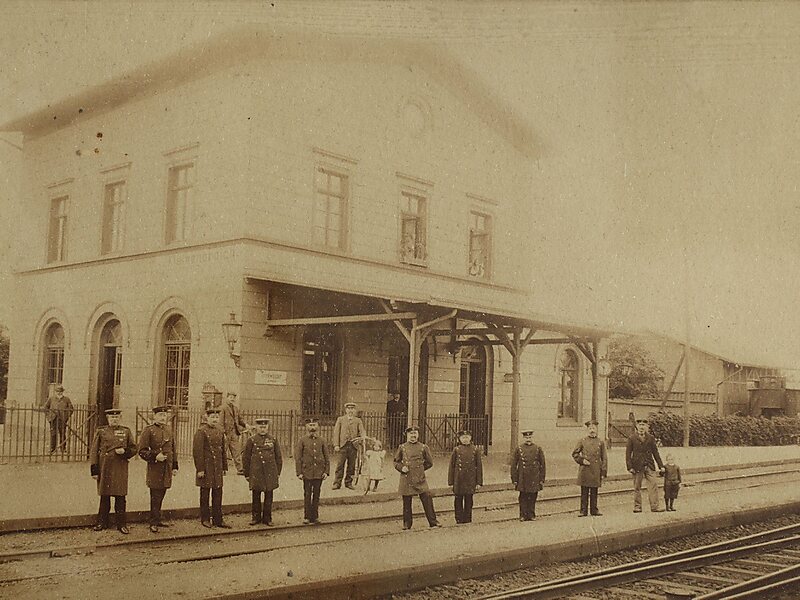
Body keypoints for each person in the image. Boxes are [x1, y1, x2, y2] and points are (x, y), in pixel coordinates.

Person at [90, 408, 137, 534]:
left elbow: (133, 449)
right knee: (104, 496)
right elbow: (94, 451)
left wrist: (125, 452)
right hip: (105, 467)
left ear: (120, 418)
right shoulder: (101, 431)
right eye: (112, 418)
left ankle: (121, 524)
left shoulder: (126, 431)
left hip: (120, 467)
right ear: (108, 419)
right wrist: (94, 470)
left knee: (120, 497)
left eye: (116, 417)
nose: (114, 420)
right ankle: (101, 522)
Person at [137, 405, 178, 533]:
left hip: (167, 467)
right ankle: (153, 522)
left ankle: (157, 519)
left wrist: (175, 466)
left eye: (165, 415)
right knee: (155, 494)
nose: (163, 417)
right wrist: (155, 456)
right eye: (160, 415)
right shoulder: (148, 430)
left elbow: (173, 449)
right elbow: (141, 451)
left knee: (162, 492)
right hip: (155, 467)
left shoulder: (168, 429)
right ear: (154, 416)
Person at [394, 425, 440, 529]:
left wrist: (420, 470)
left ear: (418, 435)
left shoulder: (423, 447)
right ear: (407, 435)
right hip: (406, 478)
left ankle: (433, 522)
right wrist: (401, 468)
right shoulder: (402, 447)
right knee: (407, 502)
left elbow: (429, 463)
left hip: (420, 479)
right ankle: (407, 524)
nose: (413, 436)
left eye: (415, 434)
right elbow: (396, 462)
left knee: (427, 498)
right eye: (411, 434)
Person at [193, 407, 230, 528]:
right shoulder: (201, 431)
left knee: (218, 493)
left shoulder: (220, 431)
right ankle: (205, 519)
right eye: (212, 417)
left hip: (217, 468)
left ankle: (218, 519)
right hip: (206, 468)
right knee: (205, 493)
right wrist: (200, 469)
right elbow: (198, 452)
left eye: (216, 417)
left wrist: (224, 467)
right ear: (207, 418)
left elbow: (223, 450)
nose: (214, 419)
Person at [242, 417, 282, 526]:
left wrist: (278, 472)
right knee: (256, 495)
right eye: (260, 427)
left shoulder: (273, 439)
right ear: (257, 428)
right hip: (256, 472)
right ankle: (255, 517)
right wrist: (247, 474)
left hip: (270, 472)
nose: (263, 429)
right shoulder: (252, 440)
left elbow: (278, 457)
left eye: (265, 427)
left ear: (268, 427)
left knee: (269, 495)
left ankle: (267, 518)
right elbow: (246, 457)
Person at [295, 418, 330, 524]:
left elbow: (326, 457)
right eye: (310, 425)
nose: (312, 427)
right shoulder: (302, 440)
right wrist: (299, 472)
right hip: (307, 472)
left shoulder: (322, 440)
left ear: (318, 426)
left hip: (319, 472)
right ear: (306, 427)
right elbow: (298, 457)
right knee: (307, 494)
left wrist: (326, 471)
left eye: (314, 425)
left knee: (316, 494)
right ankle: (307, 516)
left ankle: (314, 516)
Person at [626, 418, 665, 513]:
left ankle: (655, 506)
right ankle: (637, 507)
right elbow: (628, 454)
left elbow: (656, 453)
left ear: (646, 427)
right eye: (640, 425)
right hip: (637, 466)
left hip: (649, 465)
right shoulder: (631, 438)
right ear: (637, 426)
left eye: (644, 425)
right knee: (637, 487)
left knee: (653, 485)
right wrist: (629, 467)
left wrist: (661, 466)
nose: (642, 427)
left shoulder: (651, 438)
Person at [572, 419, 608, 517]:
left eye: (594, 428)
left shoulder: (600, 442)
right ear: (587, 429)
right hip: (585, 469)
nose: (592, 430)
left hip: (596, 469)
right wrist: (582, 460)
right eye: (590, 428)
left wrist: (604, 471)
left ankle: (594, 510)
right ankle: (583, 510)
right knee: (584, 491)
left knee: (594, 491)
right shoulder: (582, 441)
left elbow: (604, 457)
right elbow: (575, 453)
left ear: (596, 429)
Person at [448, 429, 483, 524]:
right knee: (458, 500)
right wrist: (451, 482)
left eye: (467, 437)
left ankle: (468, 519)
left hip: (470, 480)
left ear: (470, 438)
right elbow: (451, 466)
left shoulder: (475, 450)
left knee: (469, 500)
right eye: (463, 437)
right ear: (459, 439)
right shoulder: (456, 450)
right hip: (458, 479)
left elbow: (479, 466)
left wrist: (479, 482)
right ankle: (459, 519)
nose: (465, 439)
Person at [511, 428, 546, 521]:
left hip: (534, 476)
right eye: (526, 437)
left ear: (532, 437)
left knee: (533, 496)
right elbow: (514, 465)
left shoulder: (538, 448)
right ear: (523, 438)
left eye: (530, 437)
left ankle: (531, 514)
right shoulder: (519, 449)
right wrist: (514, 479)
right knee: (523, 496)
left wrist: (542, 478)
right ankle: (523, 515)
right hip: (522, 476)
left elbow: (543, 464)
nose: (528, 439)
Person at [332, 401, 366, 490]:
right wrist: (336, 445)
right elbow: (336, 433)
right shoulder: (341, 419)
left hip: (353, 446)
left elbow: (362, 431)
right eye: (349, 408)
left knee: (351, 465)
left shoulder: (358, 420)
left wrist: (362, 437)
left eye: (352, 409)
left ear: (355, 410)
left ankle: (348, 483)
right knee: (340, 465)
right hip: (342, 446)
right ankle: (337, 483)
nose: (350, 410)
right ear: (346, 410)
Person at [219, 392, 248, 475]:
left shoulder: (235, 408)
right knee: (223, 451)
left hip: (234, 433)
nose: (232, 399)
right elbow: (220, 422)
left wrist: (246, 425)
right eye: (231, 397)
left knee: (237, 451)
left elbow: (240, 420)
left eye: (234, 397)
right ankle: (221, 469)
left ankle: (240, 469)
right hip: (226, 433)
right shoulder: (223, 408)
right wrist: (222, 433)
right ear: (227, 398)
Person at [44, 385, 74, 453]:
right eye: (57, 391)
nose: (59, 393)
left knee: (62, 433)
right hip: (53, 419)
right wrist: (49, 416)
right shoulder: (51, 398)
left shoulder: (66, 399)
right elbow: (45, 408)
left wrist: (66, 417)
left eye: (60, 391)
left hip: (62, 419)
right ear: (55, 392)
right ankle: (52, 448)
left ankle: (63, 448)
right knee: (53, 433)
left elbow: (71, 409)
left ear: (62, 392)